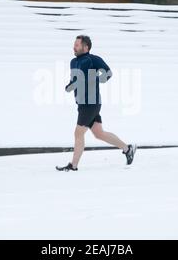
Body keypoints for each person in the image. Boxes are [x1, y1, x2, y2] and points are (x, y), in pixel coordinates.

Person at [56, 35, 137, 172]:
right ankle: (127, 149)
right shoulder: (73, 62)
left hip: (91, 103)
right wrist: (70, 86)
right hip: (82, 103)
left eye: (77, 45)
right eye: (74, 44)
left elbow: (108, 74)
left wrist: (96, 79)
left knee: (78, 133)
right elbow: (75, 80)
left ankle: (73, 166)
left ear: (85, 47)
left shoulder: (94, 59)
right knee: (99, 133)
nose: (74, 47)